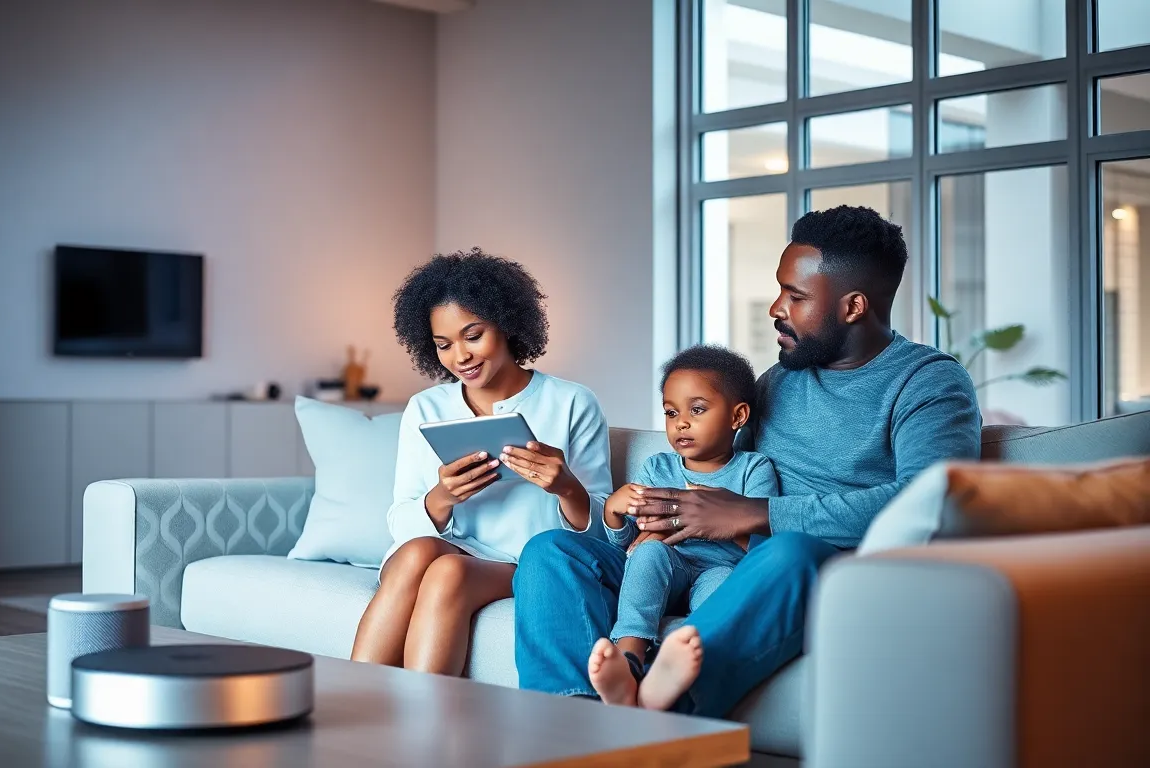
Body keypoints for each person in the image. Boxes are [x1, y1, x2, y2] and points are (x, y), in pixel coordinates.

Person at [514, 206, 981, 717]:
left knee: (792, 551)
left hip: (815, 566)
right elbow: (716, 469)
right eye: (780, 290)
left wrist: (756, 513)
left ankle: (668, 701)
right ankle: (569, 719)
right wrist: (653, 519)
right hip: (709, 560)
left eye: (796, 296)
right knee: (552, 552)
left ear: (853, 307)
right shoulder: (779, 382)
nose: (775, 308)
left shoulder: (928, 382)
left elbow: (934, 501)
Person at [352, 247, 613, 677]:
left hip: (524, 562)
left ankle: (422, 722)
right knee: (421, 551)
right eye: (443, 345)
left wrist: (567, 487)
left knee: (448, 571)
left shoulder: (571, 403)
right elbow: (400, 524)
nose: (461, 357)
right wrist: (441, 497)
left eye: (473, 336)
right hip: (442, 549)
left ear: (507, 324)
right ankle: (352, 701)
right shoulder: (426, 408)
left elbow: (605, 534)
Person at [590, 345, 779, 710]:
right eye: (671, 412)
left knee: (722, 590)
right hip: (667, 564)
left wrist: (716, 520)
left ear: (738, 415)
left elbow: (762, 545)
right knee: (648, 554)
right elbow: (630, 544)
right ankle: (629, 659)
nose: (681, 423)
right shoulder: (657, 467)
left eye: (697, 410)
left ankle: (676, 671)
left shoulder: (754, 469)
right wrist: (614, 512)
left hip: (720, 568)